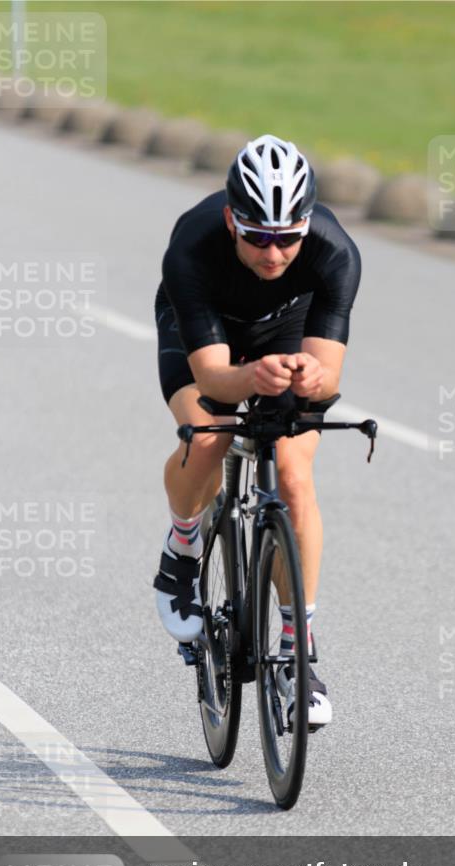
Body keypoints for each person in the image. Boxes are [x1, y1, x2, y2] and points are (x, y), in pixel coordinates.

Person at [153, 134, 361, 727]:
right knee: (210, 431)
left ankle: (300, 655)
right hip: (205, 331)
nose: (274, 254)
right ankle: (183, 545)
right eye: (257, 237)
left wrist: (309, 376)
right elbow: (216, 379)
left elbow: (326, 380)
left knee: (294, 477)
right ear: (230, 220)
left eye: (287, 237)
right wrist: (251, 376)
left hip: (286, 329)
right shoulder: (193, 246)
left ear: (306, 225)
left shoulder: (334, 253)